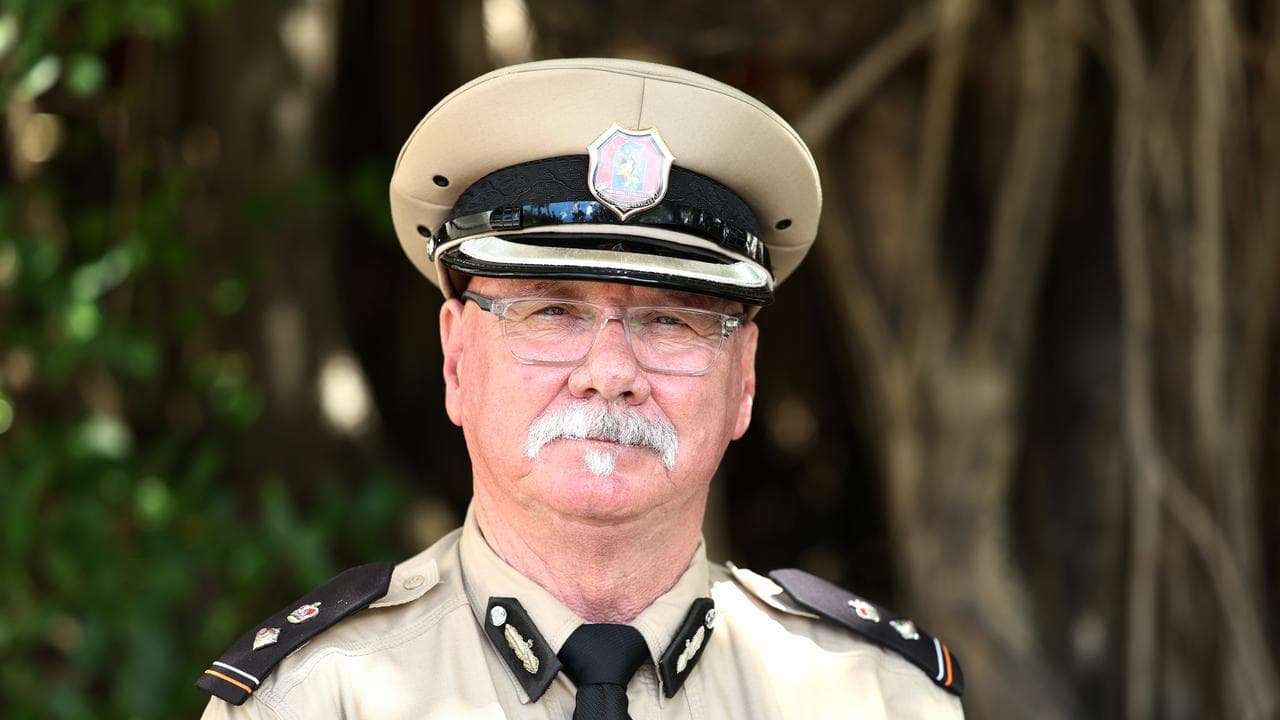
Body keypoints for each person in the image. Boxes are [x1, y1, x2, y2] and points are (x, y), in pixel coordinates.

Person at [197, 58, 964, 719]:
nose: (610, 373)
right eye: (551, 311)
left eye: (671, 322)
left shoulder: (879, 698)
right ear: (457, 358)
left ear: (746, 381)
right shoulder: (312, 701)